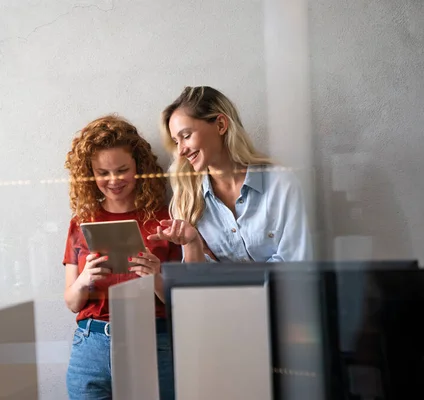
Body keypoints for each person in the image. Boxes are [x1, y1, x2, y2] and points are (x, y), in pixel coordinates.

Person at [63, 115, 181, 399]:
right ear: (90, 174)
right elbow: (71, 301)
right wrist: (85, 280)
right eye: (103, 172)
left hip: (151, 341)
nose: (113, 180)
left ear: (138, 167)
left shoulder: (165, 221)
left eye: (122, 170)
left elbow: (183, 302)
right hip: (91, 345)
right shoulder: (82, 221)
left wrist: (155, 277)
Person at [148, 86, 312, 263]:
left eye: (186, 136)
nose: (181, 151)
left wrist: (229, 279)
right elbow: (199, 285)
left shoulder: (280, 184)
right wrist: (192, 243)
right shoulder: (189, 200)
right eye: (176, 142)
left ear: (220, 125)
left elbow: (295, 265)